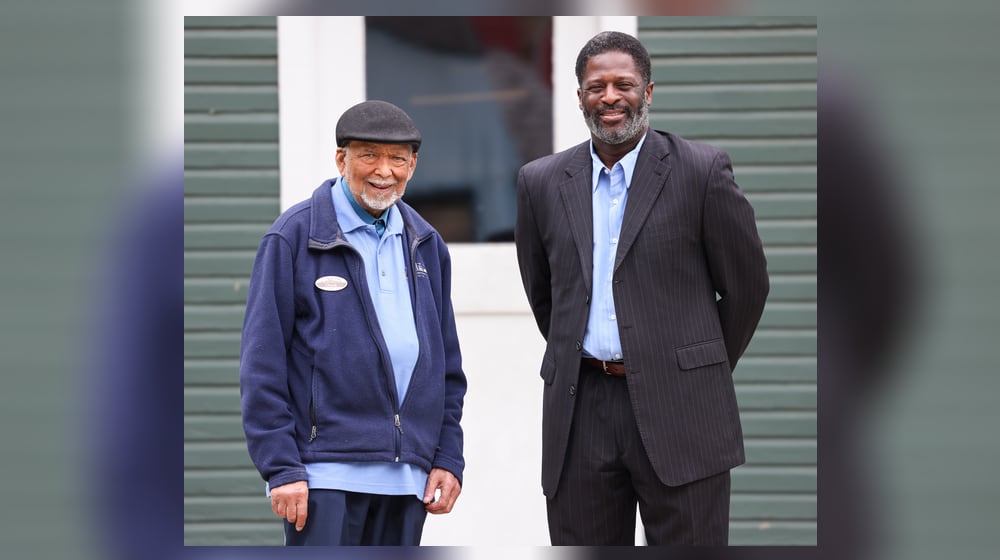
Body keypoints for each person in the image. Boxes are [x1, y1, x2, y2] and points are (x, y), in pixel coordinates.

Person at [514, 31, 769, 545]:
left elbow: (747, 288)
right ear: (580, 95)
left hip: (683, 408)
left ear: (648, 92)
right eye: (596, 86)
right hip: (580, 407)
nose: (610, 97)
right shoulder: (540, 182)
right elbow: (545, 295)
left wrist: (695, 364)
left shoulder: (701, 171)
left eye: (623, 84)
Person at [239, 100, 467, 546]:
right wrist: (281, 467)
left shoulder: (427, 245)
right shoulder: (293, 238)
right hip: (323, 474)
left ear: (413, 165)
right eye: (369, 155)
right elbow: (261, 365)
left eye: (397, 158)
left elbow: (447, 368)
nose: (384, 170)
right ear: (341, 158)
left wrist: (447, 456)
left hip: (407, 477)